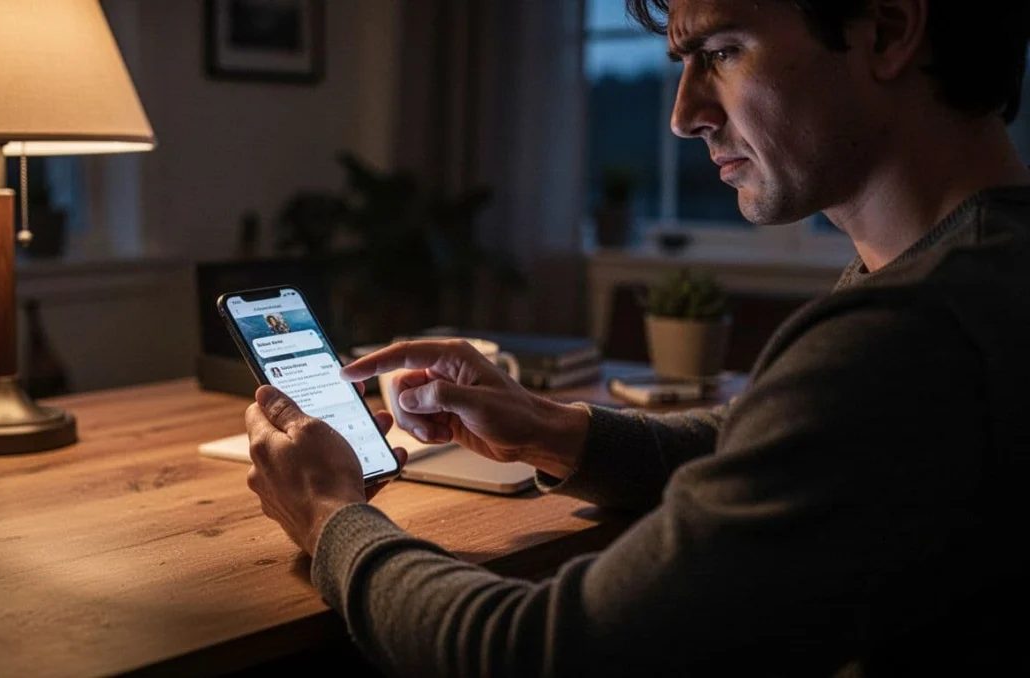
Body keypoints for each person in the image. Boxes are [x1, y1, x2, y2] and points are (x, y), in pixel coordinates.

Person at [243, 0, 1030, 674]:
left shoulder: (914, 333)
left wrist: (331, 516)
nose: (684, 115)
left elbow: (542, 656)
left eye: (722, 50)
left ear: (888, 30)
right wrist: (553, 431)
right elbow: (774, 445)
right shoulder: (974, 267)